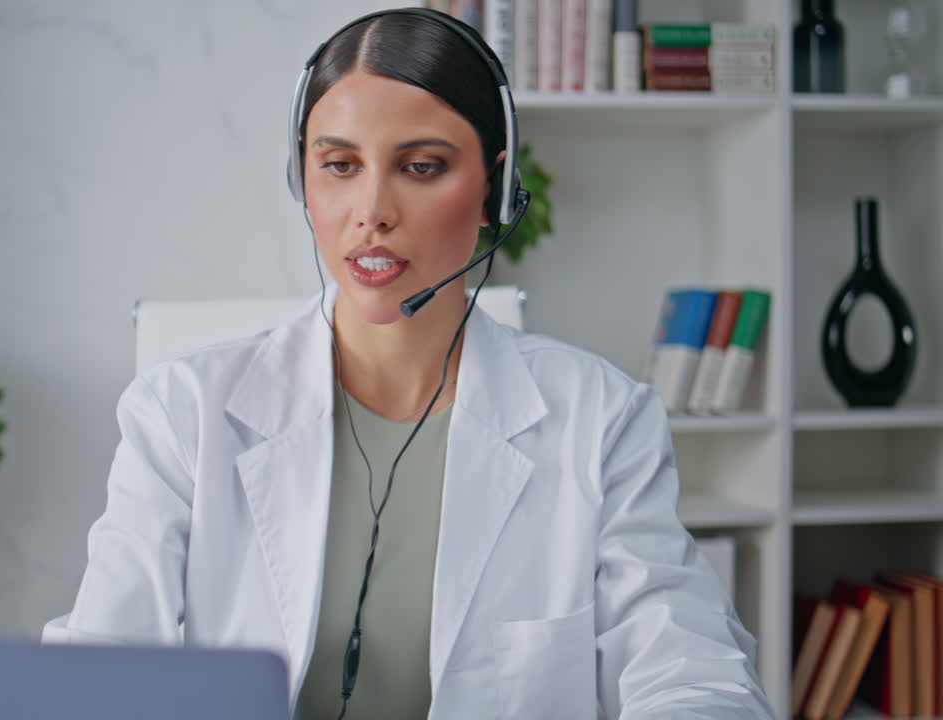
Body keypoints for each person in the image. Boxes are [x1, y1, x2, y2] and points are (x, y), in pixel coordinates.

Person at [44, 8, 773, 719]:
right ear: (303, 182)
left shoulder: (604, 420)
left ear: (496, 185)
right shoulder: (181, 413)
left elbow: (691, 669)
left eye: (421, 167)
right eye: (339, 165)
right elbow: (98, 667)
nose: (371, 210)